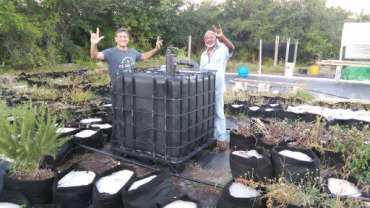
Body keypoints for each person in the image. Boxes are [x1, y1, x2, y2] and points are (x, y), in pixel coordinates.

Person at [199, 25, 235, 151]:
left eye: (212, 37)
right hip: (204, 89)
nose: (209, 39)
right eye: (207, 38)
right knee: (205, 112)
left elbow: (232, 48)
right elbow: (201, 72)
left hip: (218, 88)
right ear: (205, 40)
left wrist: (222, 37)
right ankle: (206, 137)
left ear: (215, 39)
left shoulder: (222, 49)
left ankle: (221, 139)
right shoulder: (203, 55)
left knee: (219, 112)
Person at [90, 27, 163, 85]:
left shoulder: (132, 52)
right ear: (116, 39)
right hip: (117, 89)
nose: (122, 39)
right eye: (120, 37)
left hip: (130, 87)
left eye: (125, 37)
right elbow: (95, 56)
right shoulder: (110, 52)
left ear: (128, 39)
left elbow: (144, 56)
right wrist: (93, 44)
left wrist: (156, 48)